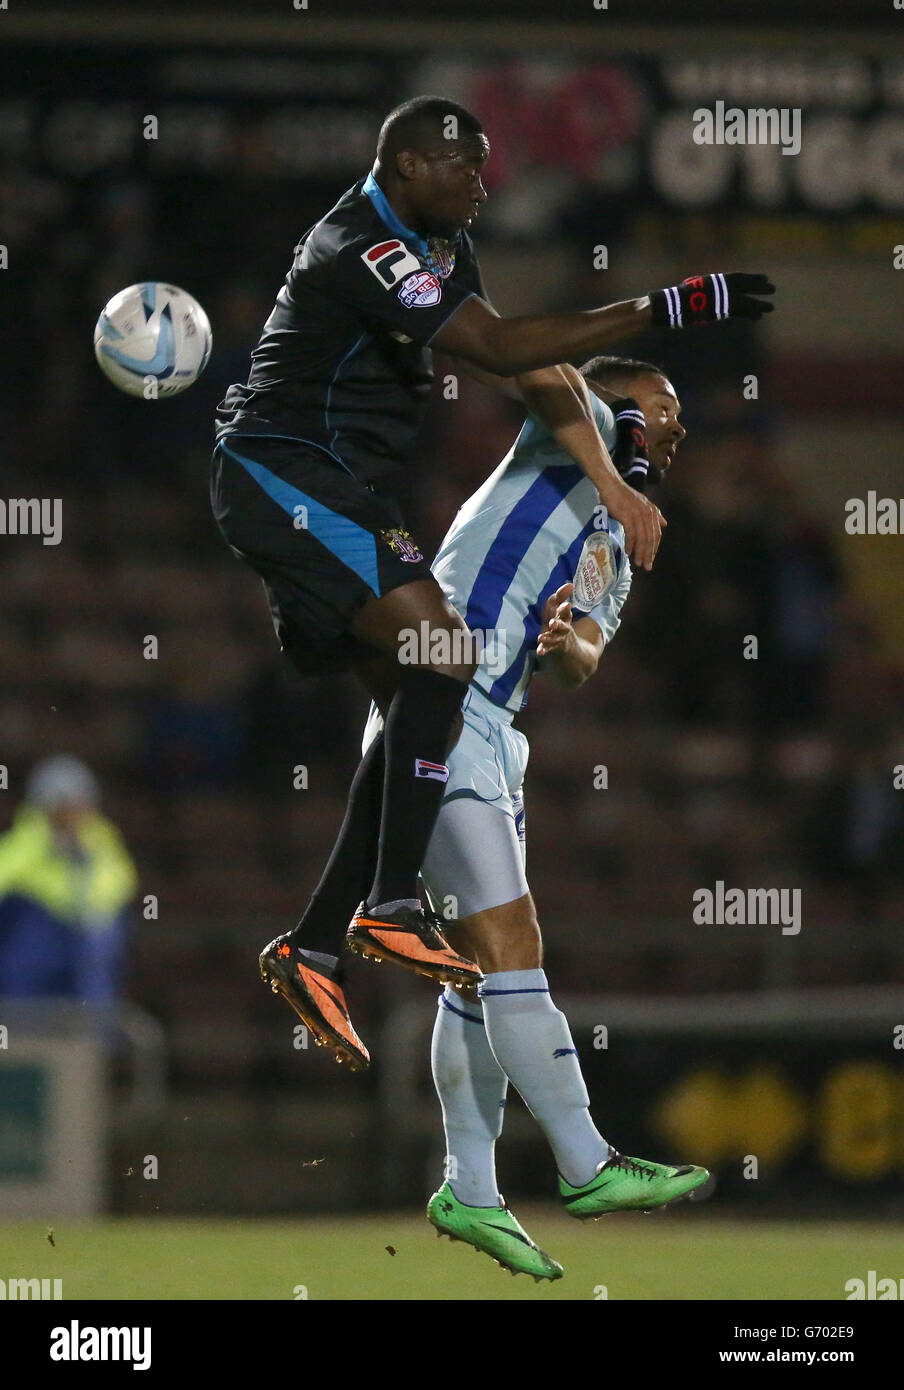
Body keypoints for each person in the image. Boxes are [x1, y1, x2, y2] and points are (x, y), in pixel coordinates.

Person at [212, 93, 774, 1064]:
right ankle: (387, 906)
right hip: (282, 473)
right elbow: (505, 350)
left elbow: (535, 371)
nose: (481, 184)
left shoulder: (439, 240)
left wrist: (616, 486)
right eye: (462, 169)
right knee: (447, 653)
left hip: (342, 489)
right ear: (403, 167)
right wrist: (665, 306)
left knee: (415, 700)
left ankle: (313, 945)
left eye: (483, 167)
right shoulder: (363, 242)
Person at [0, 755, 137, 1004]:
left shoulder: (101, 839)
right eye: (61, 807)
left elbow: (120, 883)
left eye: (76, 806)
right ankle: (20, 1022)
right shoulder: (26, 839)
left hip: (82, 942)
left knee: (102, 936)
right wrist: (44, 847)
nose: (70, 815)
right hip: (32, 943)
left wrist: (84, 881)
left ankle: (95, 1024)